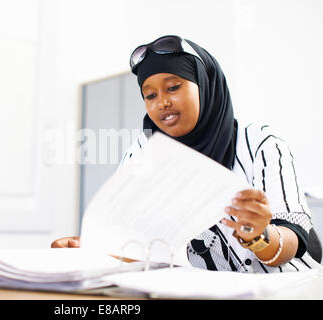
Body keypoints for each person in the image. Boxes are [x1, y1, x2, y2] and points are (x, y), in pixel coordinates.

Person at [51, 35, 321, 272]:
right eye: (150, 95)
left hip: (283, 289)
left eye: (173, 87)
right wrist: (92, 248)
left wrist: (259, 236)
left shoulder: (261, 145)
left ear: (204, 84)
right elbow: (135, 243)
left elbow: (295, 238)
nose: (162, 103)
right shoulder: (142, 154)